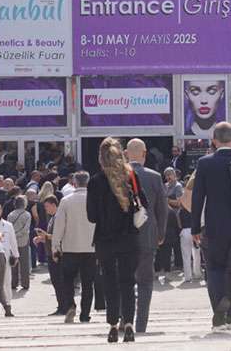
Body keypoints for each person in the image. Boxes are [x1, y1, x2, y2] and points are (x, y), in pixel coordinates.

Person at [191, 122, 231, 333]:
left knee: (216, 268)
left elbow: (198, 197)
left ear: (214, 141)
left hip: (216, 226)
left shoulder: (205, 163)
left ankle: (220, 304)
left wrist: (195, 228)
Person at [87, 137, 142, 343]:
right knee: (128, 281)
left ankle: (112, 325)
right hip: (128, 237)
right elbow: (143, 203)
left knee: (109, 281)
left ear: (100, 158)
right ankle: (129, 324)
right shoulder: (131, 176)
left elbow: (91, 216)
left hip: (105, 239)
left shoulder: (95, 182)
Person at [123, 139, 167, 334]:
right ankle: (141, 325)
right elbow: (162, 210)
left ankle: (125, 321)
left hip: (122, 238)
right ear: (144, 153)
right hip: (147, 236)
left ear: (126, 154)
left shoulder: (116, 176)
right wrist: (161, 233)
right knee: (145, 282)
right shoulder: (155, 177)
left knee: (123, 280)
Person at [52, 171, 96, 324]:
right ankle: (85, 314)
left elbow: (59, 225)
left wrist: (55, 247)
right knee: (88, 283)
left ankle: (70, 304)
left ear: (74, 183)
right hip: (90, 248)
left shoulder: (66, 201)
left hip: (70, 247)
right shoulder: (95, 199)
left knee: (68, 280)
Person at [33, 196, 68, 316]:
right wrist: (42, 238)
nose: (46, 209)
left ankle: (64, 307)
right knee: (56, 282)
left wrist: (46, 236)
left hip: (57, 254)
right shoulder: (53, 218)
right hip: (51, 253)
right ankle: (61, 306)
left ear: (54, 205)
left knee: (59, 282)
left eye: (47, 206)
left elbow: (60, 236)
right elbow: (52, 237)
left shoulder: (58, 217)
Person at [0, 203, 19, 317]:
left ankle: (8, 307)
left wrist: (16, 255)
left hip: (6, 257)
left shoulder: (8, 225)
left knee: (7, 282)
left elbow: (13, 241)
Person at [7, 196, 31, 291]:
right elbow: (26, 229)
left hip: (12, 242)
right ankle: (25, 283)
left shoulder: (10, 215)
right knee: (24, 264)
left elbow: (8, 229)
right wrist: (18, 234)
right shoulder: (27, 214)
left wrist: (14, 235)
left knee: (13, 262)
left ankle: (13, 283)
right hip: (24, 240)